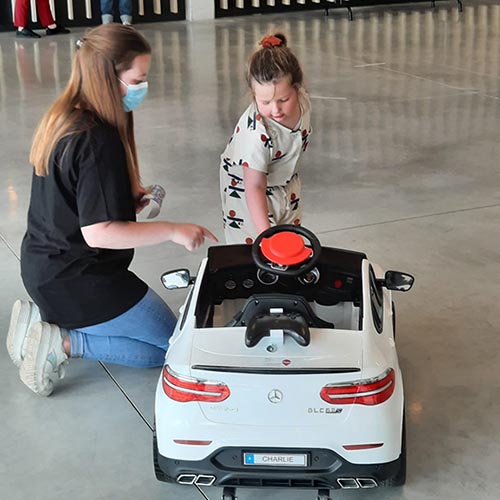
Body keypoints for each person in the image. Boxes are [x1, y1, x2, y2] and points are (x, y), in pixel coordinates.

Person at [6, 24, 217, 397]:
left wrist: (122, 197)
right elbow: (98, 232)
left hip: (44, 266)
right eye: (137, 79)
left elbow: (74, 199)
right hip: (79, 280)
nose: (142, 88)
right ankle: (64, 342)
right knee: (168, 348)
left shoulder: (66, 115)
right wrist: (172, 229)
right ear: (109, 76)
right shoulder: (97, 138)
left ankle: (40, 318)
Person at [219, 33, 312, 245]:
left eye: (283, 99)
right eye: (265, 102)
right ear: (253, 96)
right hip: (246, 185)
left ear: (297, 88)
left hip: (285, 180)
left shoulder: (304, 102)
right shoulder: (256, 135)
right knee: (253, 249)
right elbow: (254, 187)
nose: (276, 109)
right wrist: (267, 237)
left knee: (291, 240)